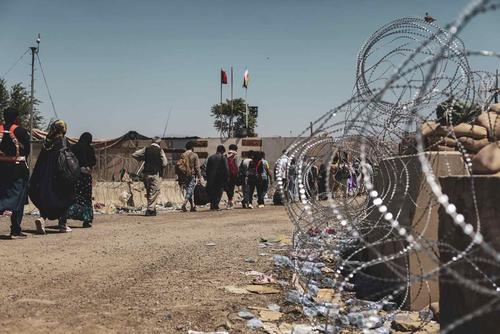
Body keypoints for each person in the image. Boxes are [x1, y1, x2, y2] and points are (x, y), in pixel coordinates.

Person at [29, 120, 75, 233]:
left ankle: (42, 219)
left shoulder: (48, 142)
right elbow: (67, 159)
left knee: (47, 199)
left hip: (46, 177)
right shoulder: (63, 141)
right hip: (60, 177)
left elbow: (41, 161)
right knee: (65, 197)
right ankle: (62, 225)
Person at [0, 107, 30, 239]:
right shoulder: (21, 131)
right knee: (18, 198)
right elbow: (27, 150)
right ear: (16, 118)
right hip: (17, 169)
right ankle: (15, 230)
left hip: (1, 168)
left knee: (2, 194)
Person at [132, 136, 168, 216]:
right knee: (154, 191)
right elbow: (165, 163)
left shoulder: (146, 149)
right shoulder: (160, 150)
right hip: (156, 174)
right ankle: (150, 209)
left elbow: (134, 154)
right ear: (159, 143)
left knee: (149, 192)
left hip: (146, 174)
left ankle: (153, 209)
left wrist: (143, 158)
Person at [67, 132, 97, 228]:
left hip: (76, 176)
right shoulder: (90, 148)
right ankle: (87, 220)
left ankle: (67, 216)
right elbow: (94, 161)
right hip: (86, 177)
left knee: (74, 196)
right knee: (86, 198)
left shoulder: (74, 148)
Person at [179, 141, 202, 212]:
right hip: (192, 174)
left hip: (184, 175)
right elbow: (197, 167)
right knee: (190, 189)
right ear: (192, 148)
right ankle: (184, 203)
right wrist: (199, 176)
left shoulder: (182, 155)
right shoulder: (194, 155)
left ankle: (192, 206)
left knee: (188, 190)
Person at [205, 145, 228, 211]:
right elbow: (226, 169)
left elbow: (207, 169)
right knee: (219, 191)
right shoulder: (223, 157)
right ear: (222, 151)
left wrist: (208, 177)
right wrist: (227, 177)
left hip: (211, 178)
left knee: (213, 191)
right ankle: (216, 205)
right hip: (220, 178)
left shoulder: (210, 157)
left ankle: (212, 205)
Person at [225, 144, 240, 209]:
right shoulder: (235, 155)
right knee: (232, 187)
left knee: (228, 188)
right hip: (233, 174)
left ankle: (229, 201)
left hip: (226, 174)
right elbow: (237, 165)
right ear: (235, 149)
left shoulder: (225, 155)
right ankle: (230, 202)